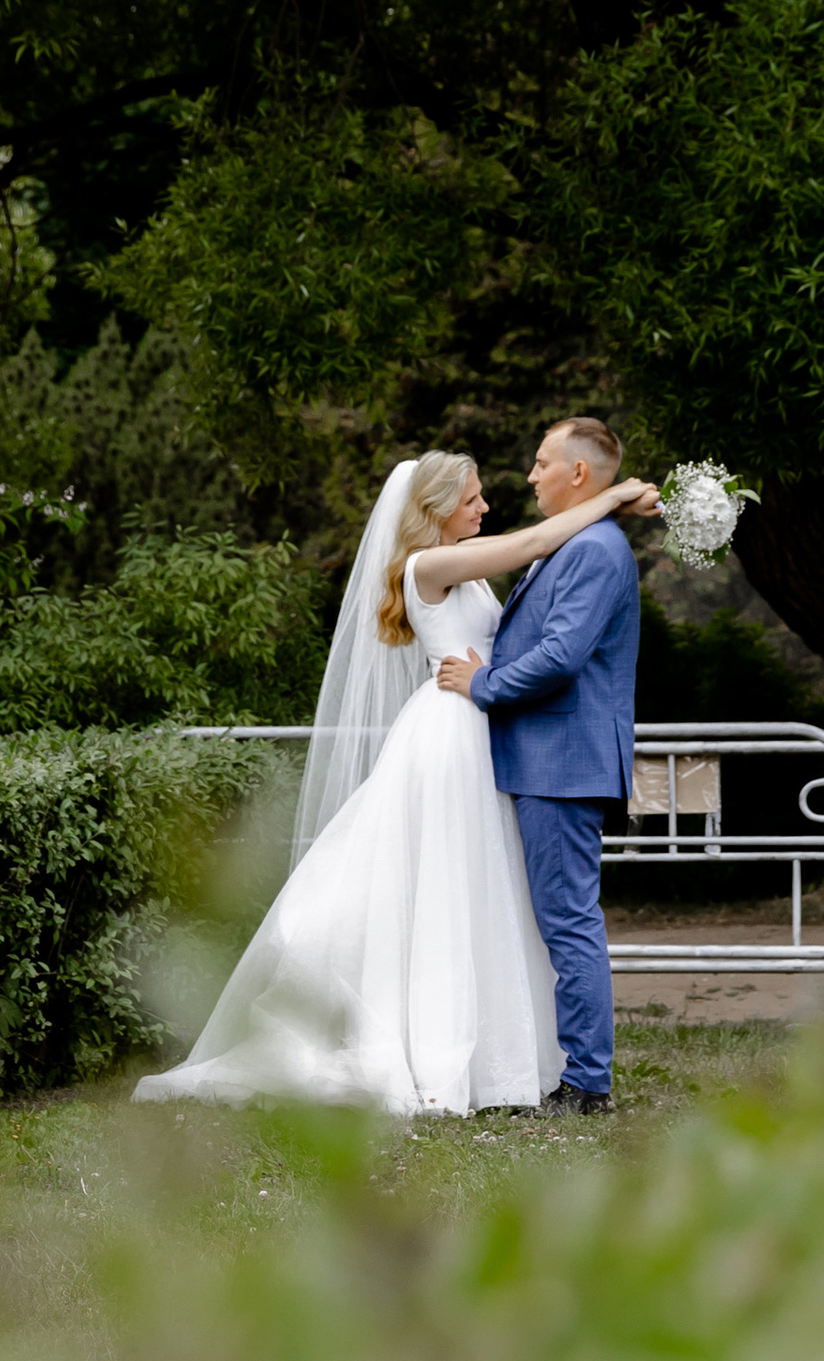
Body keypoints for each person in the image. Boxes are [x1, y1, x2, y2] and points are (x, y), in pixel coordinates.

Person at [133, 442, 656, 1116]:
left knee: (482, 893)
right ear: (436, 509)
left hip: (482, 730)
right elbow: (533, 541)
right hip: (450, 731)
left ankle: (510, 1054)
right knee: (440, 885)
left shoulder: (468, 571)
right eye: (471, 499)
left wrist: (611, 505)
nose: (486, 504)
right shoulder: (430, 564)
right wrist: (614, 499)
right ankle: (443, 1044)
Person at [435, 416, 640, 1113]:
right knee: (557, 918)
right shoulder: (572, 541)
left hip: (563, 761)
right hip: (546, 758)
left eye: (541, 461)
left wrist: (481, 685)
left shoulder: (595, 551)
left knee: (568, 920)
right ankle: (565, 1065)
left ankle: (587, 1085)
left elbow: (561, 656)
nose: (530, 474)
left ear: (578, 474)